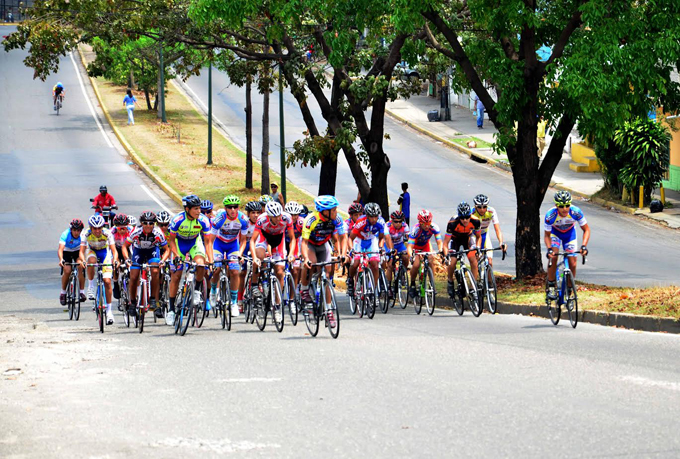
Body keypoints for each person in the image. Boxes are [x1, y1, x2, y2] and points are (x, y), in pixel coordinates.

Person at [299, 196, 347, 327]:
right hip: (310, 245)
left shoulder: (336, 219)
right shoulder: (311, 220)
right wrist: (306, 258)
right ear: (325, 211)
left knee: (327, 274)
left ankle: (329, 311)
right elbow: (304, 242)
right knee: (312, 264)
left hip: (324, 244)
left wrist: (342, 254)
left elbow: (341, 239)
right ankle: (304, 289)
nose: (337, 212)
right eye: (334, 209)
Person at [166, 195, 213, 322]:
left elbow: (208, 243)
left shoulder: (203, 220)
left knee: (201, 265)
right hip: (178, 245)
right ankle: (171, 309)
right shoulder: (177, 220)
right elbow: (171, 241)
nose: (199, 211)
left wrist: (211, 258)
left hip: (194, 243)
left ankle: (197, 290)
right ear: (187, 209)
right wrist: (176, 255)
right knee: (176, 276)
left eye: (199, 209)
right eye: (196, 209)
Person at [249, 202, 296, 318]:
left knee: (280, 272)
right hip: (264, 238)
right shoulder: (262, 219)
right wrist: (254, 258)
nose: (278, 218)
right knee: (259, 257)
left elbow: (292, 238)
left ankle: (277, 305)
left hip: (278, 240)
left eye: (279, 215)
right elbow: (252, 240)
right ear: (269, 216)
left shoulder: (287, 218)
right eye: (274, 217)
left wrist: (291, 254)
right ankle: (255, 284)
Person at [544, 191, 590, 300]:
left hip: (570, 235)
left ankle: (569, 290)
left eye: (567, 205)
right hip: (555, 234)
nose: (565, 209)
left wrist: (584, 246)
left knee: (573, 263)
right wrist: (549, 249)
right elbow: (547, 235)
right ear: (556, 206)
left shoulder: (576, 212)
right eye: (561, 206)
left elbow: (586, 230)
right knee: (553, 256)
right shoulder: (550, 215)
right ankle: (551, 286)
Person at [209, 195, 248, 317]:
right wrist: (210, 257)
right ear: (225, 208)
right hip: (218, 244)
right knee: (217, 269)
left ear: (238, 208)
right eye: (229, 207)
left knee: (235, 272)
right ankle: (214, 291)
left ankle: (234, 303)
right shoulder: (219, 219)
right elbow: (210, 241)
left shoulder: (243, 219)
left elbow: (243, 241)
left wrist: (240, 255)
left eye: (235, 207)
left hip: (233, 245)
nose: (232, 210)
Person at [123, 211, 169, 314]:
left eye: (151, 223)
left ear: (154, 224)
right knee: (134, 276)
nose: (148, 225)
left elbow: (166, 249)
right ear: (141, 223)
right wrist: (127, 259)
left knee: (155, 271)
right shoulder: (136, 231)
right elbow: (124, 246)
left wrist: (162, 260)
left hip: (152, 251)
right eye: (145, 223)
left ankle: (153, 298)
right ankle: (133, 302)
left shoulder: (158, 233)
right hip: (138, 251)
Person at [80, 215, 118, 325]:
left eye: (99, 228)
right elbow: (81, 251)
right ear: (90, 228)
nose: (97, 231)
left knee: (107, 282)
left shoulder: (107, 233)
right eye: (94, 228)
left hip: (104, 253)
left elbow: (114, 250)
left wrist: (115, 260)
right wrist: (83, 260)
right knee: (91, 262)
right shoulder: (85, 233)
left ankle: (109, 312)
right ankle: (91, 286)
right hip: (92, 251)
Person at [443, 202, 482, 297]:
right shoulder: (452, 223)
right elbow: (445, 243)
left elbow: (478, 237)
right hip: (455, 239)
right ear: (459, 217)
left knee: (473, 261)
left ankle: (473, 288)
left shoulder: (476, 221)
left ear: (470, 215)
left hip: (467, 238)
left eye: (467, 217)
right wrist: (446, 255)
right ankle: (450, 281)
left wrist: (478, 248)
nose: (465, 220)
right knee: (452, 262)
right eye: (462, 218)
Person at [347, 203, 386, 297]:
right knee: (355, 263)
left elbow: (381, 238)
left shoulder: (381, 222)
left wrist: (380, 248)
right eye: (371, 217)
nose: (374, 219)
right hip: (359, 241)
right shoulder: (361, 222)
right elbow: (350, 238)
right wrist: (352, 249)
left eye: (375, 217)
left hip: (371, 241)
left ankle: (373, 288)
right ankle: (350, 280)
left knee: (375, 265)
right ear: (367, 216)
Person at [406, 209, 443, 299]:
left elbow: (439, 241)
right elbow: (410, 246)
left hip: (425, 245)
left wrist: (441, 250)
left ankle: (432, 283)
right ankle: (413, 283)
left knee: (431, 260)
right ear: (420, 222)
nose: (427, 226)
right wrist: (411, 256)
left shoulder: (434, 227)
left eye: (428, 223)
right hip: (415, 247)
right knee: (416, 264)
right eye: (424, 224)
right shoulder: (416, 229)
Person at [237, 201, 262, 310]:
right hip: (244, 244)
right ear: (248, 214)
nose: (256, 215)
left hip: (256, 245)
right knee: (242, 273)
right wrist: (240, 255)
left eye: (258, 212)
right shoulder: (244, 223)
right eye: (253, 213)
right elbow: (239, 241)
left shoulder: (261, 222)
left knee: (260, 267)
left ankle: (257, 287)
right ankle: (239, 300)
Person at [472, 194, 506, 267]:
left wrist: (501, 242)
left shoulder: (491, 211)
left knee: (489, 263)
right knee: (475, 261)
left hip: (484, 235)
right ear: (475, 206)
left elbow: (497, 229)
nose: (482, 209)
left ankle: (489, 278)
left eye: (484, 207)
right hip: (473, 236)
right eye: (479, 207)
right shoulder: (471, 213)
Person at [58, 219, 86, 305]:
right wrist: (61, 259)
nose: (76, 233)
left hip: (78, 251)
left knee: (80, 266)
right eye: (74, 230)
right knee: (67, 270)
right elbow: (60, 249)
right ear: (71, 230)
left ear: (81, 230)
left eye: (78, 230)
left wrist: (84, 260)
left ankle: (81, 292)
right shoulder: (65, 234)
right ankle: (63, 293)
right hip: (66, 252)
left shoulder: (83, 235)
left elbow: (84, 249)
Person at [385, 210, 410, 296]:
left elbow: (409, 238)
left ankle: (402, 273)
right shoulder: (387, 226)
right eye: (396, 221)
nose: (398, 224)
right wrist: (391, 250)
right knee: (390, 264)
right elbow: (387, 239)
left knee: (406, 256)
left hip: (399, 244)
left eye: (400, 221)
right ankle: (388, 286)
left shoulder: (405, 226)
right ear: (392, 221)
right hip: (388, 244)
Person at [284, 201, 305, 290]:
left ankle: (295, 288)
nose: (293, 217)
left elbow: (304, 240)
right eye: (291, 215)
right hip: (284, 242)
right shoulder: (283, 221)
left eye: (296, 214)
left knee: (296, 269)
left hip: (297, 243)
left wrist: (302, 253)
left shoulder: (301, 222)